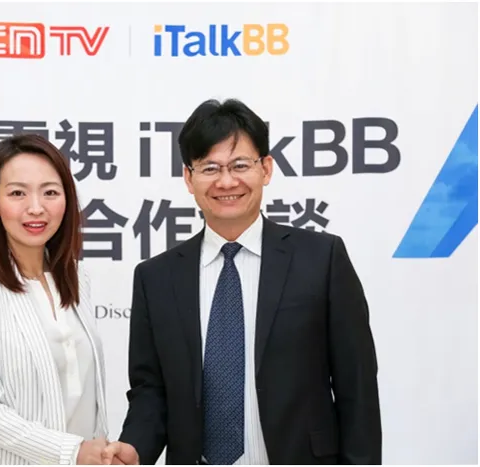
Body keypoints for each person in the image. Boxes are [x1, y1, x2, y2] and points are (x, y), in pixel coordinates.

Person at [103, 98, 382, 465]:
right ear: (188, 177)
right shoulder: (156, 278)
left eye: (240, 165)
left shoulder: (321, 259)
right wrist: (134, 447)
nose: (226, 181)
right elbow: (150, 390)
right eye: (210, 168)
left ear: (265, 168)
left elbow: (357, 387)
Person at [0, 134, 110, 464]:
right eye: (17, 193)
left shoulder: (76, 278)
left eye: (50, 192)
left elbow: (86, 398)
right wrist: (72, 451)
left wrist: (99, 451)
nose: (36, 207)